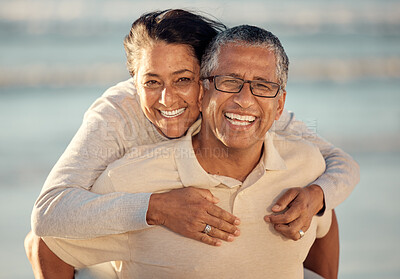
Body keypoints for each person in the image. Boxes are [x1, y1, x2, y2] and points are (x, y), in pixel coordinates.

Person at [26, 9, 358, 278]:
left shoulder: (241, 102)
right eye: (152, 82)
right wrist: (156, 208)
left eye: (183, 79)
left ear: (205, 79)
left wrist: (317, 195)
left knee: (317, 193)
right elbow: (47, 215)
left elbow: (339, 164)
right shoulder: (116, 115)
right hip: (117, 241)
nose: (167, 98)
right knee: (37, 241)